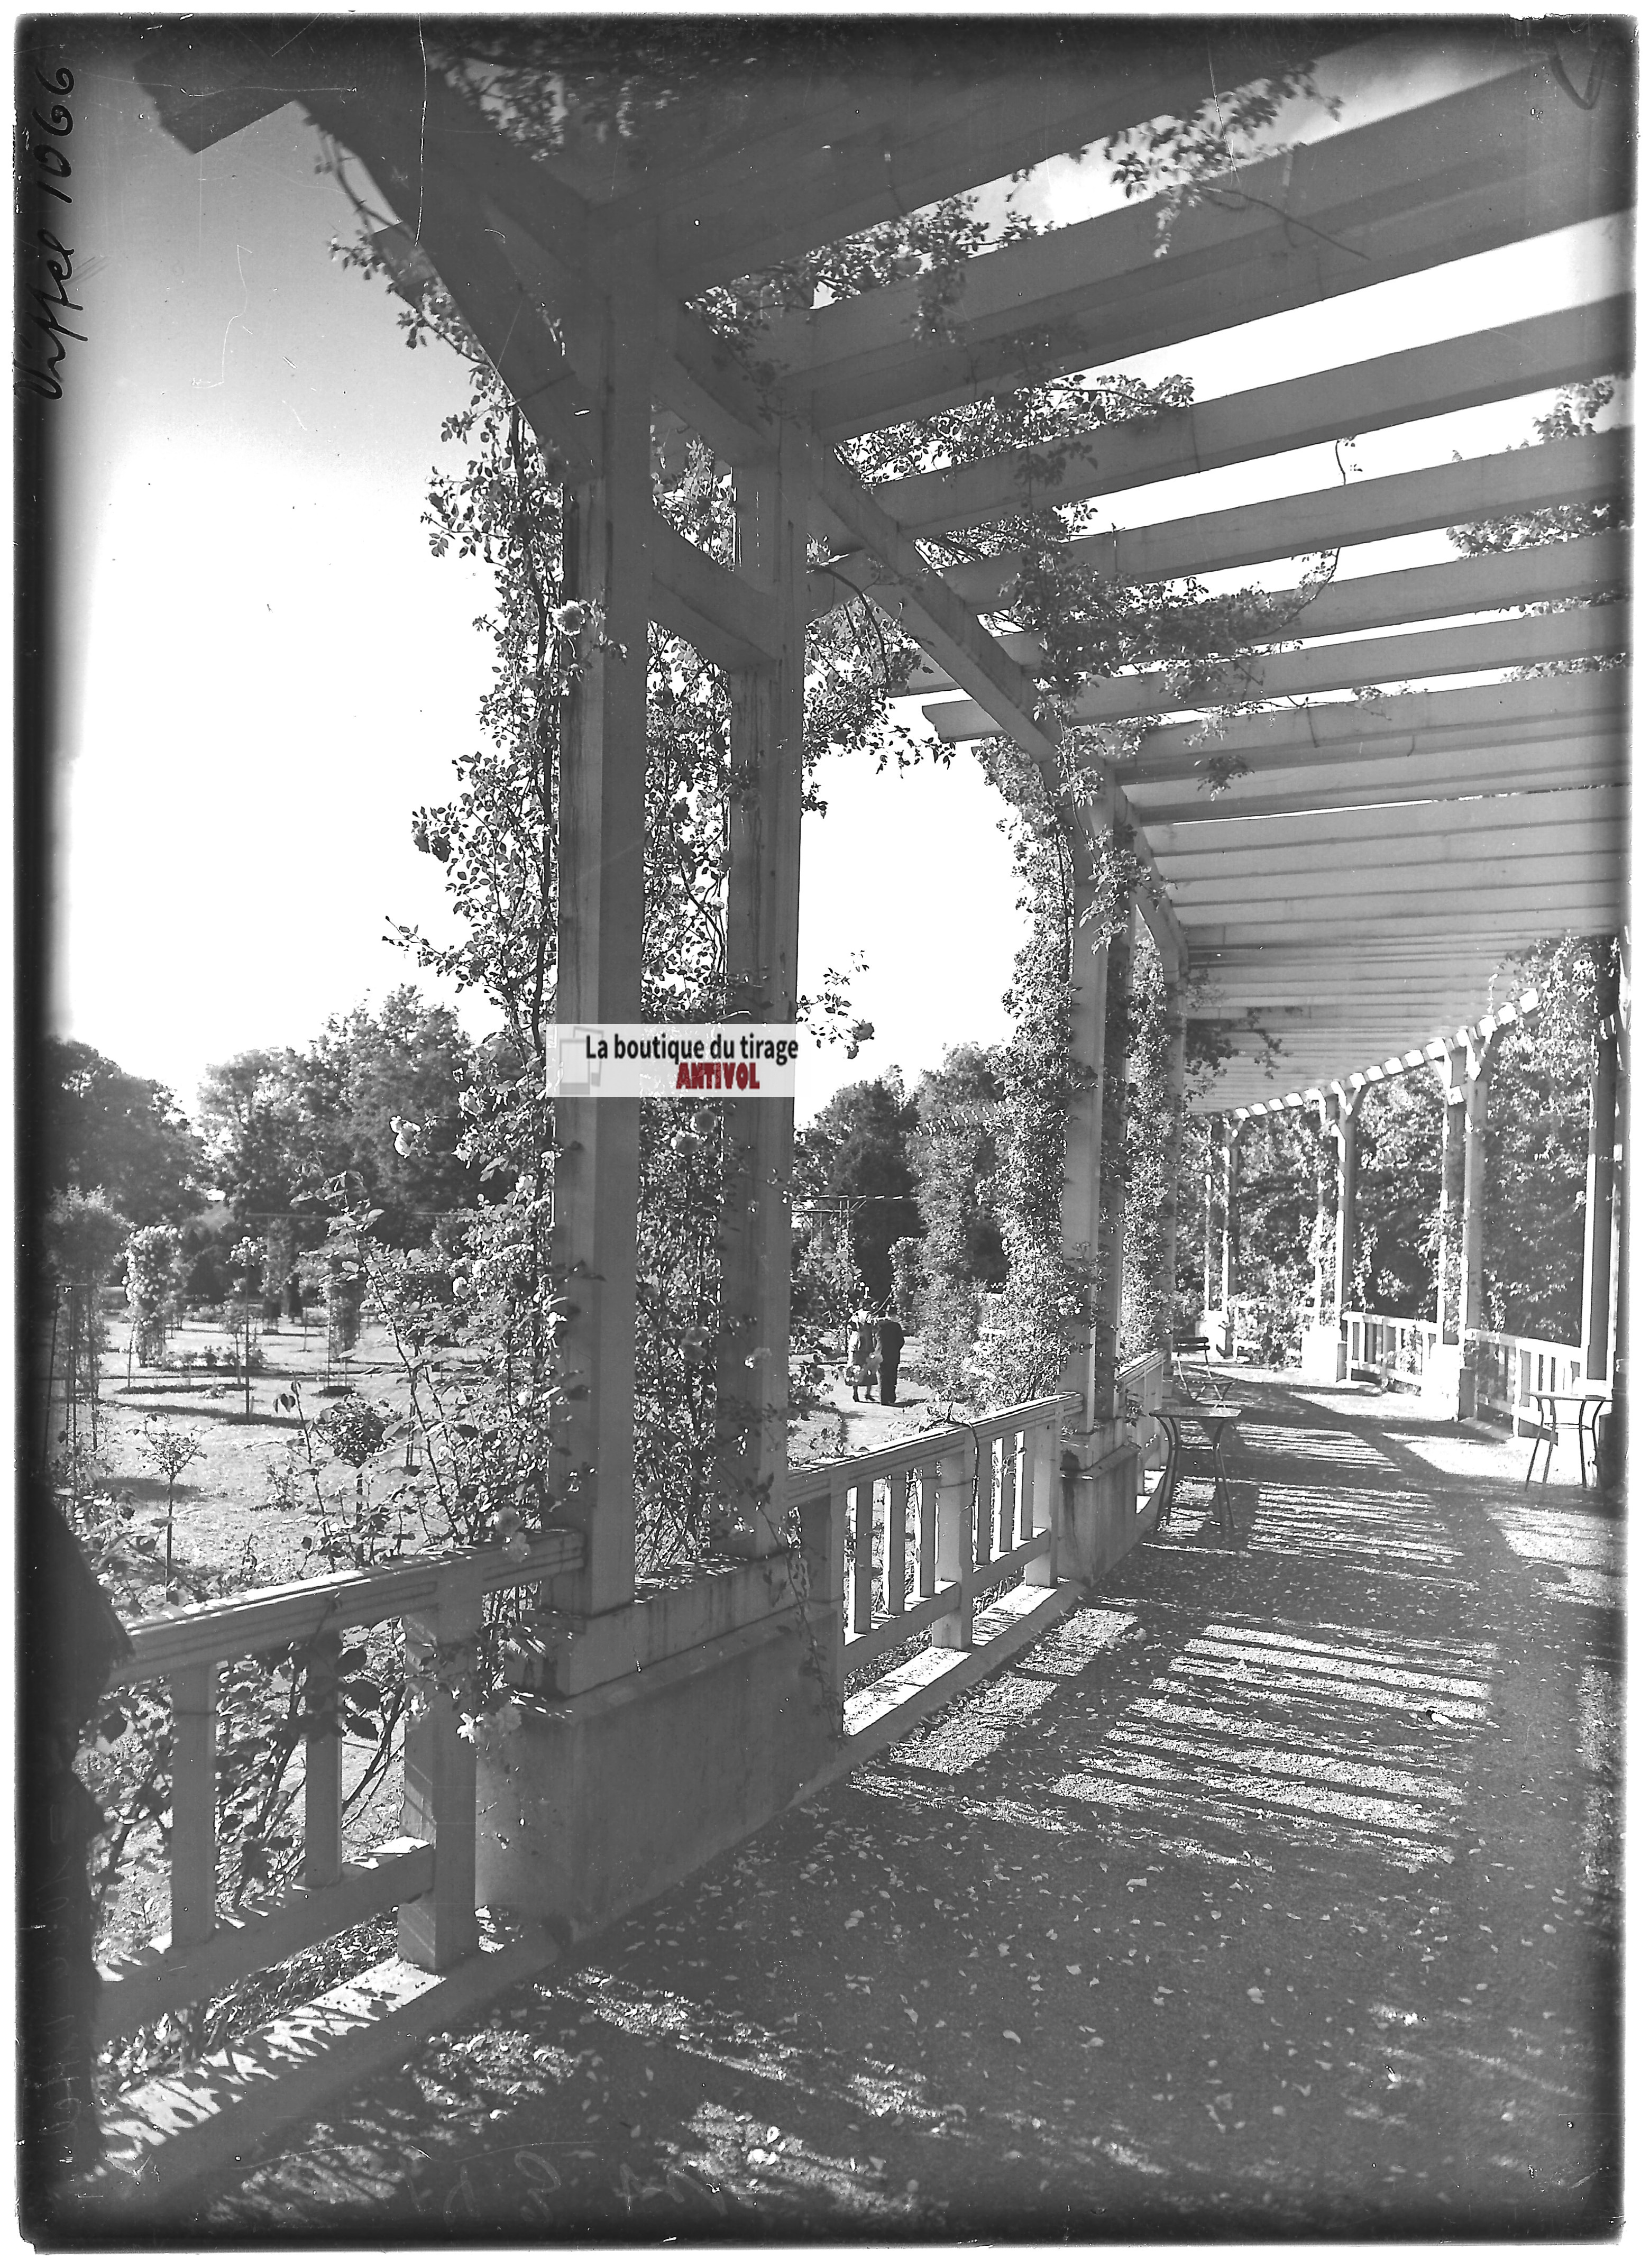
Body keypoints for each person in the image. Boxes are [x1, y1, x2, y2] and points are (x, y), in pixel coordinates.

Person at [875, 1308, 906, 1406]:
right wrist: (896, 1349)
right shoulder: (896, 1326)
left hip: (880, 1354)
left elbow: (874, 1340)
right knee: (892, 1376)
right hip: (893, 1354)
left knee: (882, 1376)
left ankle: (883, 1398)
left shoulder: (878, 1325)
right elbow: (901, 1341)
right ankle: (891, 1397)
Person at [847, 1311, 877, 1403]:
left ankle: (858, 1393)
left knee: (856, 1369)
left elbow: (849, 1332)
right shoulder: (867, 1314)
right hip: (864, 1346)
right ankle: (865, 1393)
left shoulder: (854, 1316)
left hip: (855, 1346)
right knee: (867, 1369)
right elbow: (873, 1323)